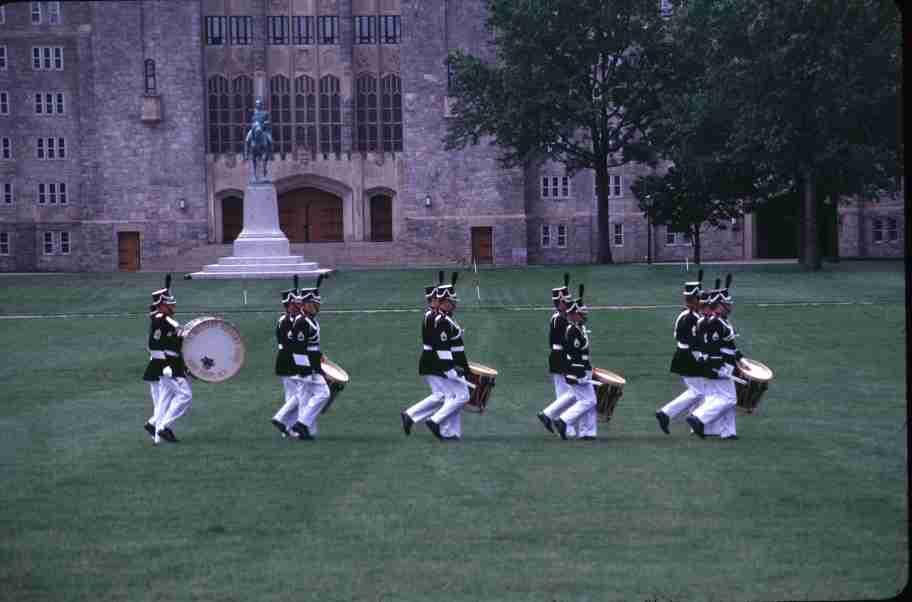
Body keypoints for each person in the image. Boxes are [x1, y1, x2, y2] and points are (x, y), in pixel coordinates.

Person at [538, 273, 594, 438]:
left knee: (573, 393)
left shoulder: (565, 319)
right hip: (560, 357)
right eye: (565, 301)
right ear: (559, 302)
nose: (568, 303)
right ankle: (563, 424)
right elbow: (567, 342)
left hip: (564, 357)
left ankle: (552, 417)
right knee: (565, 393)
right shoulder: (559, 319)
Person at [687, 275, 740, 440]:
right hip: (720, 365)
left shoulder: (714, 321)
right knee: (729, 399)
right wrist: (721, 366)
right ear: (720, 305)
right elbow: (714, 347)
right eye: (727, 303)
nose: (730, 306)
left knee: (720, 398)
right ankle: (699, 417)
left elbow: (730, 345)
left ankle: (728, 432)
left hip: (720, 364)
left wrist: (741, 359)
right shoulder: (716, 323)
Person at [142, 276, 192, 445]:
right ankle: (163, 427)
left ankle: (156, 431)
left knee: (163, 400)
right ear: (162, 305)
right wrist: (165, 365)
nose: (174, 306)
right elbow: (154, 344)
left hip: (169, 364)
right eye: (170, 304)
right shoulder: (163, 320)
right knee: (184, 395)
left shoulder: (163, 320)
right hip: (167, 365)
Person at [656, 272, 705, 434]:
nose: (701, 302)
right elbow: (691, 341)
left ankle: (696, 424)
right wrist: (702, 357)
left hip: (687, 356)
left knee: (699, 390)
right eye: (698, 299)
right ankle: (666, 413)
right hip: (688, 357)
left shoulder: (692, 315)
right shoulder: (689, 318)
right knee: (698, 391)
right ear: (691, 300)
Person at [425, 274, 471, 441]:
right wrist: (450, 368)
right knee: (463, 396)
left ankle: (450, 432)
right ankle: (435, 420)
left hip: (456, 362)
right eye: (452, 302)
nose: (455, 304)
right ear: (444, 302)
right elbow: (443, 347)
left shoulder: (446, 319)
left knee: (455, 397)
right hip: (451, 364)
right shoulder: (442, 321)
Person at [401, 272, 447, 435]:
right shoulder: (430, 316)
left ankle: (411, 415)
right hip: (431, 359)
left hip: (433, 358)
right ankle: (411, 415)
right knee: (442, 395)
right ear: (431, 301)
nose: (439, 301)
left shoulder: (435, 315)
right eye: (436, 299)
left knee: (442, 395)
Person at [553, 286, 598, 441]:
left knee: (589, 400)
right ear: (575, 315)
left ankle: (584, 431)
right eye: (581, 314)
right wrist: (580, 374)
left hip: (581, 369)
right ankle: (563, 420)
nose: (584, 316)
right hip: (577, 370)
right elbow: (576, 355)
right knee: (589, 401)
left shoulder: (577, 328)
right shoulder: (573, 331)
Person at [290, 277, 331, 440]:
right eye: (315, 304)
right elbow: (299, 348)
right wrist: (305, 369)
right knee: (323, 393)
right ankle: (301, 424)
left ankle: (302, 430)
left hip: (312, 362)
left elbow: (312, 346)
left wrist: (321, 356)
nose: (318, 307)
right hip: (307, 365)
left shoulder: (310, 320)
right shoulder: (302, 322)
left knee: (305, 397)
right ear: (306, 304)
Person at [271, 285, 304, 437]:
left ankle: (287, 429)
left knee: (291, 396)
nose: (298, 306)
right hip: (290, 359)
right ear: (289, 305)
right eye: (295, 304)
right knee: (303, 393)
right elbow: (292, 344)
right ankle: (281, 419)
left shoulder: (286, 319)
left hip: (286, 359)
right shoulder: (287, 321)